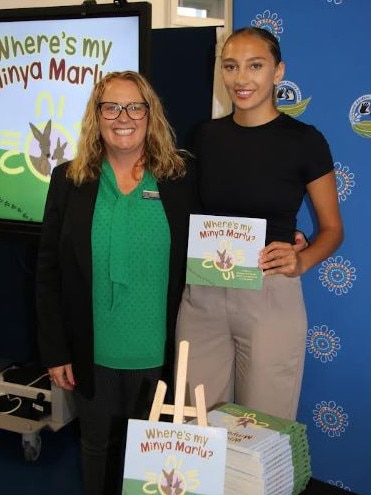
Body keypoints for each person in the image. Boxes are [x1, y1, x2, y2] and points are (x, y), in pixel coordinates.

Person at [36, 71, 195, 495]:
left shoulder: (180, 178)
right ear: (97, 115)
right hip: (94, 349)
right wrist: (56, 349)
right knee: (95, 448)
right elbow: (49, 270)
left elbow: (219, 234)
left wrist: (282, 238)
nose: (123, 116)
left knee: (153, 461)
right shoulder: (69, 180)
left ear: (150, 114)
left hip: (158, 352)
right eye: (111, 106)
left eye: (134, 106)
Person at [175, 27, 343, 421]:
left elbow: (333, 229)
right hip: (204, 292)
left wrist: (301, 260)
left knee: (262, 427)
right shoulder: (204, 136)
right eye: (231, 66)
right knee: (197, 421)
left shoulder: (305, 141)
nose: (241, 78)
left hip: (269, 293)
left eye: (255, 66)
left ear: (278, 72)